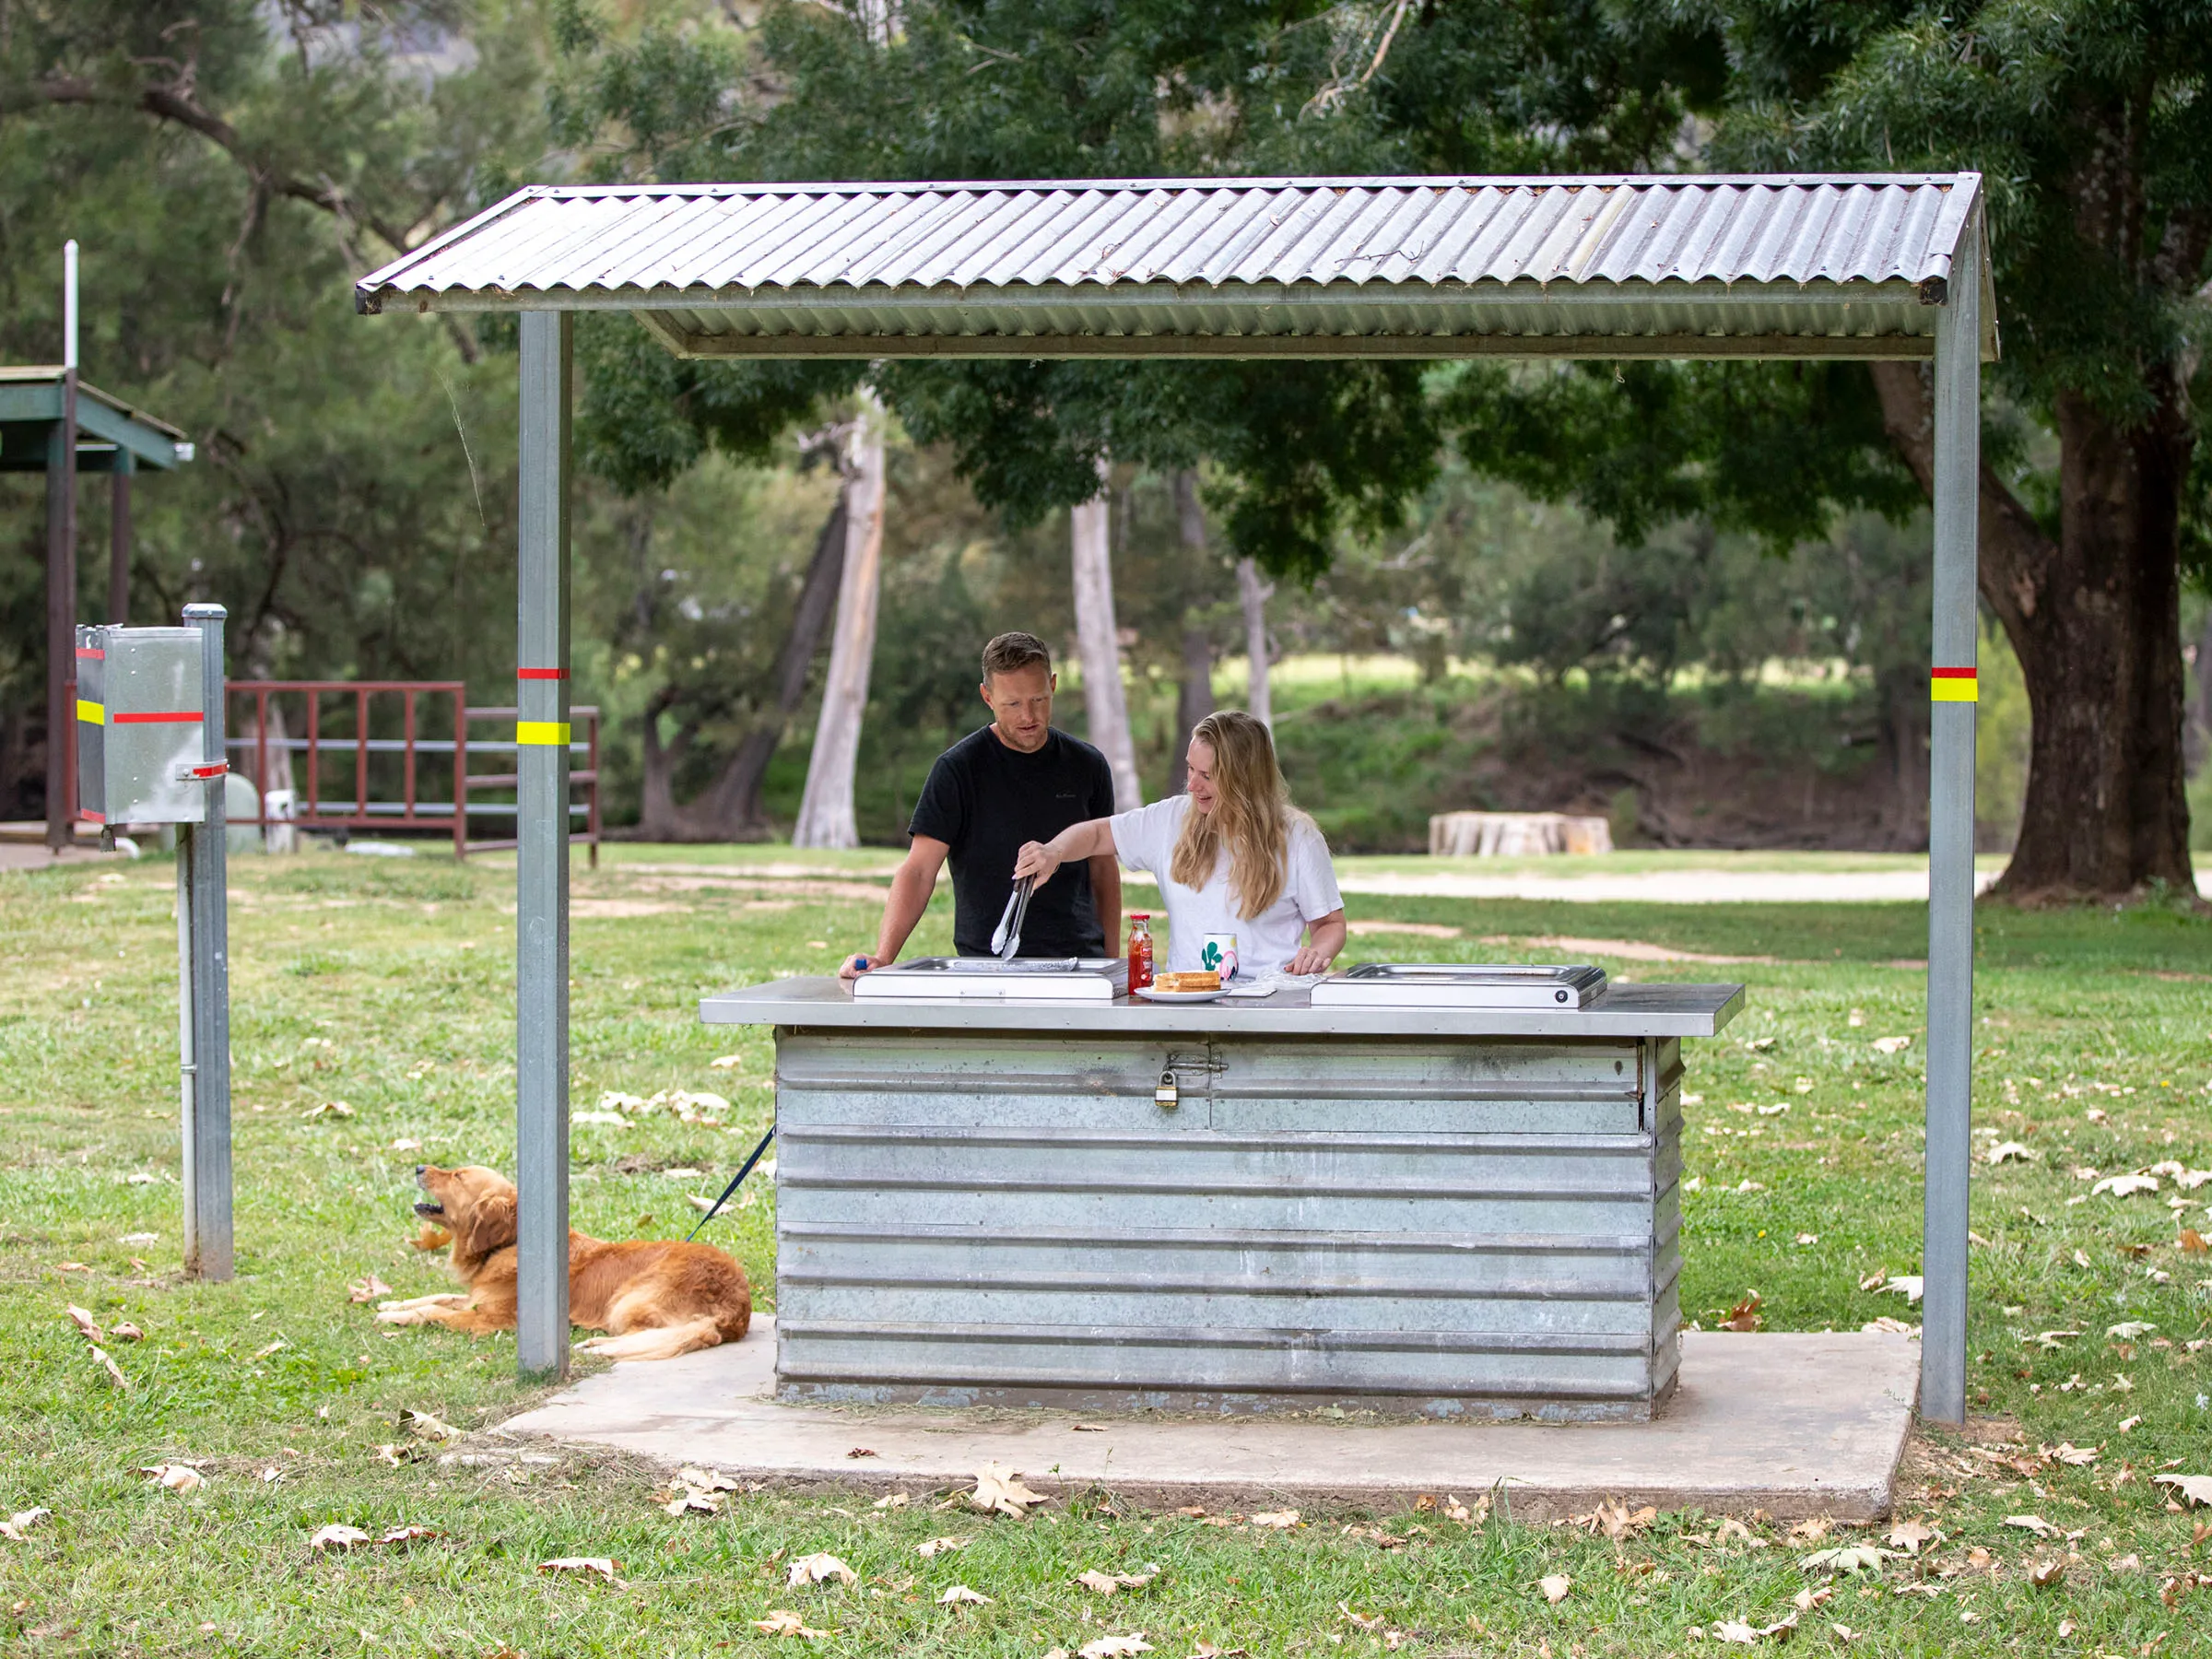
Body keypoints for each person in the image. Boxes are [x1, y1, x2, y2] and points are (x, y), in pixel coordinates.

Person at [840, 632, 1121, 978]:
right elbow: (918, 870)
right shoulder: (958, 769)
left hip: (1081, 962)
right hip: (986, 967)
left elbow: (1104, 870)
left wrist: (1114, 964)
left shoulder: (1088, 765)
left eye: (1038, 699)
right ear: (987, 696)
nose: (1028, 715)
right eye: (1012, 704)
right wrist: (883, 957)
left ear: (1053, 684)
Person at [1013, 710, 1347, 977]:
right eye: (1190, 769)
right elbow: (1099, 834)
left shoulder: (1299, 838)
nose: (1191, 785)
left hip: (1271, 1004)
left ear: (1244, 779)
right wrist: (1054, 851)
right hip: (1187, 1002)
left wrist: (1316, 955)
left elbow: (1330, 924)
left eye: (1208, 775)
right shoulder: (1170, 819)